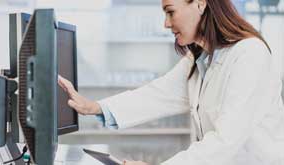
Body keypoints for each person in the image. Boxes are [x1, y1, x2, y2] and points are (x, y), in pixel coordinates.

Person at [58, 0, 284, 164]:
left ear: (200, 4)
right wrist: (95, 107)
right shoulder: (200, 57)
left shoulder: (249, 55)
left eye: (170, 12)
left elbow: (226, 141)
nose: (166, 24)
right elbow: (157, 95)